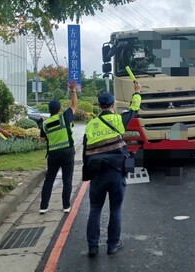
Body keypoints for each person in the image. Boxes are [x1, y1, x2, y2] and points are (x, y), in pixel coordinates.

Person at [83, 82, 142, 257]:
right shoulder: (118, 119)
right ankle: (112, 245)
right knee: (115, 209)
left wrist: (88, 174)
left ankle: (92, 247)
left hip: (97, 174)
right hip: (116, 172)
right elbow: (134, 109)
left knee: (95, 208)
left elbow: (85, 153)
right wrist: (137, 92)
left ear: (99, 106)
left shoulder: (90, 125)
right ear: (113, 104)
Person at [39, 80, 78, 214]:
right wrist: (72, 90)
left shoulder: (45, 124)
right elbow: (74, 105)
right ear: (59, 109)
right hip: (67, 152)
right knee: (67, 179)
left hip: (53, 154)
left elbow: (42, 140)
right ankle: (66, 206)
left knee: (49, 178)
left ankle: (43, 206)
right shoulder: (64, 117)